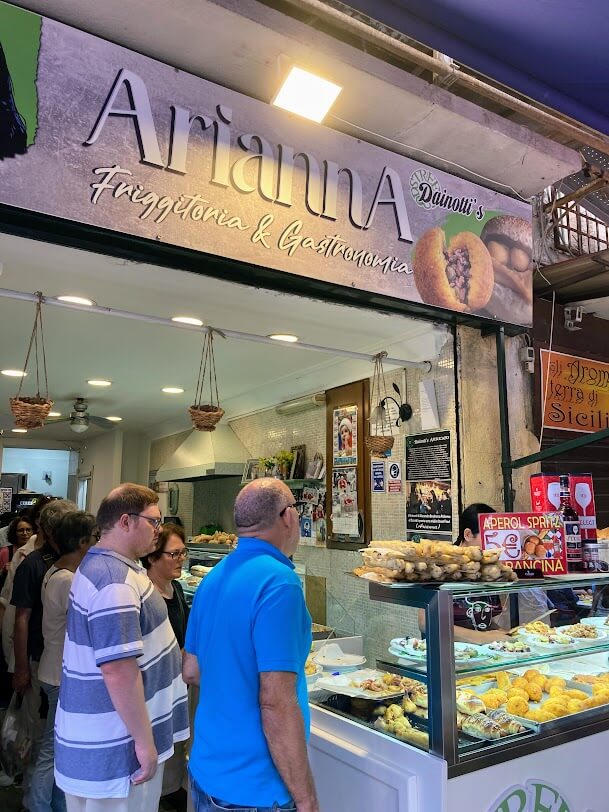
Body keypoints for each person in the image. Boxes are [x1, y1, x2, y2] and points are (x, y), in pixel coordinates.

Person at [183, 478, 318, 812]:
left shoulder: (213, 577)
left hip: (207, 772)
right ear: (288, 516)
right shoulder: (280, 583)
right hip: (255, 789)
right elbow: (276, 703)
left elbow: (192, 670)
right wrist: (306, 798)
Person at [54, 484, 189, 812]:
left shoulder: (112, 566)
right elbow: (118, 671)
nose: (158, 530)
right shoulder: (114, 582)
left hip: (111, 743)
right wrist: (144, 745)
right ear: (126, 521)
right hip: (117, 751)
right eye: (153, 522)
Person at [29, 511, 99, 812]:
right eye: (95, 538)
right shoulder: (68, 580)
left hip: (52, 667)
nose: (98, 544)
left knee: (56, 747)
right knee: (53, 749)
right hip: (59, 673)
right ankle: (39, 805)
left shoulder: (55, 571)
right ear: (82, 542)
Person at [11, 499, 76, 809]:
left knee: (51, 742)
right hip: (42, 660)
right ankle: (34, 801)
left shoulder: (62, 563)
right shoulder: (35, 564)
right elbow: (20, 618)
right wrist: (20, 666)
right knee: (43, 741)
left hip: (52, 661)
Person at [141, 523, 190, 812]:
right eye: (173, 554)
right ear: (152, 558)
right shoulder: (144, 594)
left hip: (179, 684)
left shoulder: (178, 588)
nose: (181, 559)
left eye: (183, 552)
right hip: (154, 690)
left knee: (173, 750)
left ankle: (168, 794)